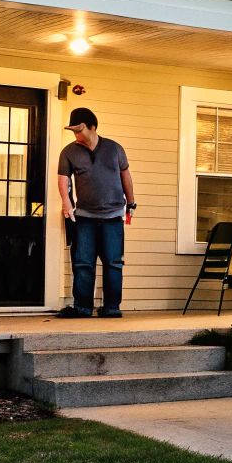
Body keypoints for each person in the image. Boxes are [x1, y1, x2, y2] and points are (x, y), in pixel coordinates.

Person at [54, 107, 136, 318]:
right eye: (73, 131)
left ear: (92, 127)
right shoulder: (69, 152)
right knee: (83, 263)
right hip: (84, 218)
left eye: (79, 130)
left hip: (113, 217)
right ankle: (82, 308)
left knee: (113, 263)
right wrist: (66, 202)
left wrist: (132, 203)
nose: (76, 135)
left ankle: (111, 308)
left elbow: (125, 176)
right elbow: (63, 179)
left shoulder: (115, 149)